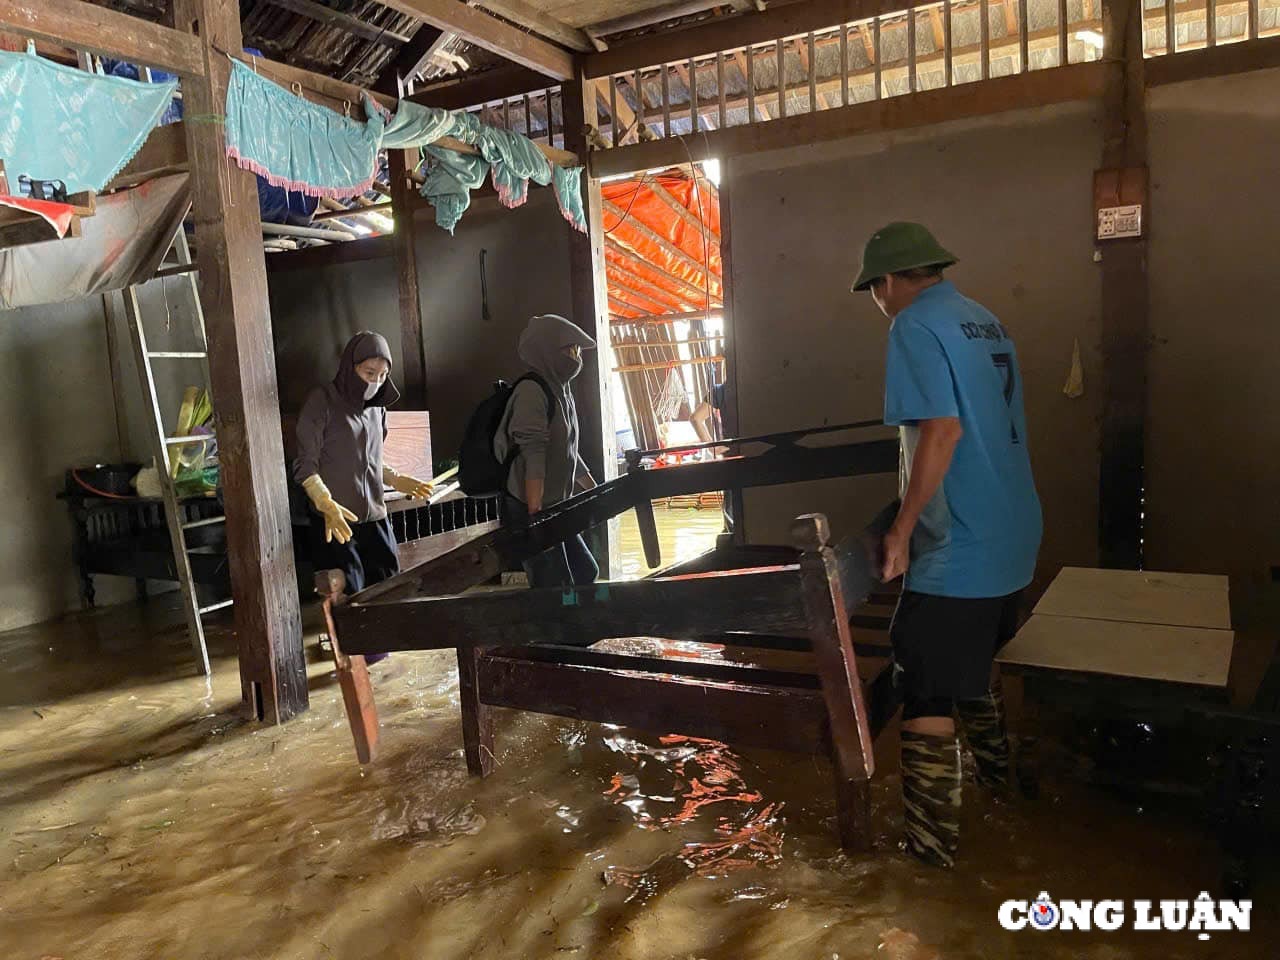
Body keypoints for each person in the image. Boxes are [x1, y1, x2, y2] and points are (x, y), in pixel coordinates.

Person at [851, 222, 1042, 868]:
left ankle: (931, 859)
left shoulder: (911, 327)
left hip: (963, 545)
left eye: (875, 290)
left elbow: (943, 430)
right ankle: (1001, 790)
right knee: (973, 667)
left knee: (924, 681)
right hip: (1014, 535)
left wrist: (901, 532)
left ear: (887, 282)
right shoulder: (983, 320)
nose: (879, 302)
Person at [294, 331, 435, 660]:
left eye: (383, 375)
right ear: (349, 367)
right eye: (368, 373)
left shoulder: (377, 408)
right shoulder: (322, 401)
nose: (375, 381)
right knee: (351, 587)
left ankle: (381, 652)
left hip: (373, 512)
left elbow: (372, 458)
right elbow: (305, 463)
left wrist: (397, 480)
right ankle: (359, 659)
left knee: (388, 578)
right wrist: (324, 502)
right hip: (337, 517)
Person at [494, 313, 599, 588]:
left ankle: (581, 628)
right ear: (547, 351)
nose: (576, 358)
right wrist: (535, 512)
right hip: (529, 504)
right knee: (553, 586)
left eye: (578, 351)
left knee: (585, 572)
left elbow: (567, 448)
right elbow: (534, 454)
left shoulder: (561, 390)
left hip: (556, 503)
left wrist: (591, 486)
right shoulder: (532, 391)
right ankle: (553, 631)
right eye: (570, 350)